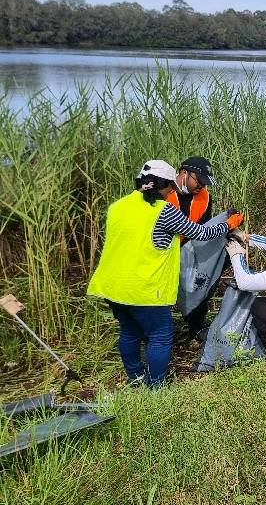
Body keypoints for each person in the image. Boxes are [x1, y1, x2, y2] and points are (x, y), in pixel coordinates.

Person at [87, 160, 243, 387]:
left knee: (130, 332)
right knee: (161, 334)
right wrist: (228, 224)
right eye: (170, 186)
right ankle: (156, 386)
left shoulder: (117, 207)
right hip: (144, 287)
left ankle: (136, 377)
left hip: (112, 285)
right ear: (165, 184)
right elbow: (201, 232)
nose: (172, 190)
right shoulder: (165, 211)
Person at [167, 156, 217, 339]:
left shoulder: (204, 197)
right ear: (184, 173)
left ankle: (196, 327)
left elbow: (203, 227)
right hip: (162, 250)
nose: (202, 187)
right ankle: (156, 332)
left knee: (200, 281)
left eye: (205, 183)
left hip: (188, 248)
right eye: (199, 181)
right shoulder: (163, 191)